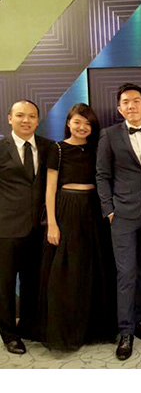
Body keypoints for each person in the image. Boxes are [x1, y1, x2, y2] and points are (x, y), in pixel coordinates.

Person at [38, 103, 116, 350]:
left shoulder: (97, 149)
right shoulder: (58, 149)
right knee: (67, 272)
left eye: (87, 123)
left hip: (93, 209)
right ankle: (68, 330)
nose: (82, 127)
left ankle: (91, 329)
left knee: (92, 269)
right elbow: (50, 189)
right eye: (77, 122)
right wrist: (52, 224)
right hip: (67, 209)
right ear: (68, 123)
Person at [96, 83, 141, 361]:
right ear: (119, 108)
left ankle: (138, 321)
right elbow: (102, 175)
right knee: (125, 274)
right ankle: (125, 332)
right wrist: (109, 210)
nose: (131, 105)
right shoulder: (109, 135)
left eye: (136, 101)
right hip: (122, 215)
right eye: (125, 102)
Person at [0, 100, 53, 355]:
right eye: (20, 115)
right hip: (6, 229)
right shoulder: (1, 148)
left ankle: (30, 327)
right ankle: (9, 334)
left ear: (37, 120)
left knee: (33, 282)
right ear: (10, 118)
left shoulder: (48, 146)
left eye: (31, 116)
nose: (26, 120)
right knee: (5, 285)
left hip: (39, 229)